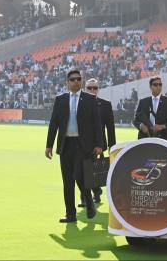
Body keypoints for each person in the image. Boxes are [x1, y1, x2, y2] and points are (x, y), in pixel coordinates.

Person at [45, 69, 103, 223]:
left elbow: (97, 124)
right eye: (72, 79)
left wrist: (99, 145)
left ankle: (89, 201)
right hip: (65, 144)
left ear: (81, 81)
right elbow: (54, 123)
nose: (76, 81)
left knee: (78, 176)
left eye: (78, 79)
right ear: (67, 82)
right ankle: (70, 214)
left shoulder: (90, 99)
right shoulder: (60, 99)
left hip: (83, 145)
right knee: (67, 181)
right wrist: (49, 145)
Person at [79, 78, 115, 207]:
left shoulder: (105, 105)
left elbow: (110, 128)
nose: (92, 90)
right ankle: (86, 196)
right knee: (82, 170)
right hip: (81, 143)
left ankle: (95, 193)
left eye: (95, 88)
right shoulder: (79, 103)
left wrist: (112, 147)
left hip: (98, 144)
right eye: (90, 88)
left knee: (91, 170)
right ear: (85, 89)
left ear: (98, 89)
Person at [132, 77, 167, 141]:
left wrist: (163, 126)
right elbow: (135, 120)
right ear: (150, 86)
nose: (158, 86)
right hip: (145, 138)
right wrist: (141, 126)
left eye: (160, 84)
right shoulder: (143, 102)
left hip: (164, 139)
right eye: (155, 85)